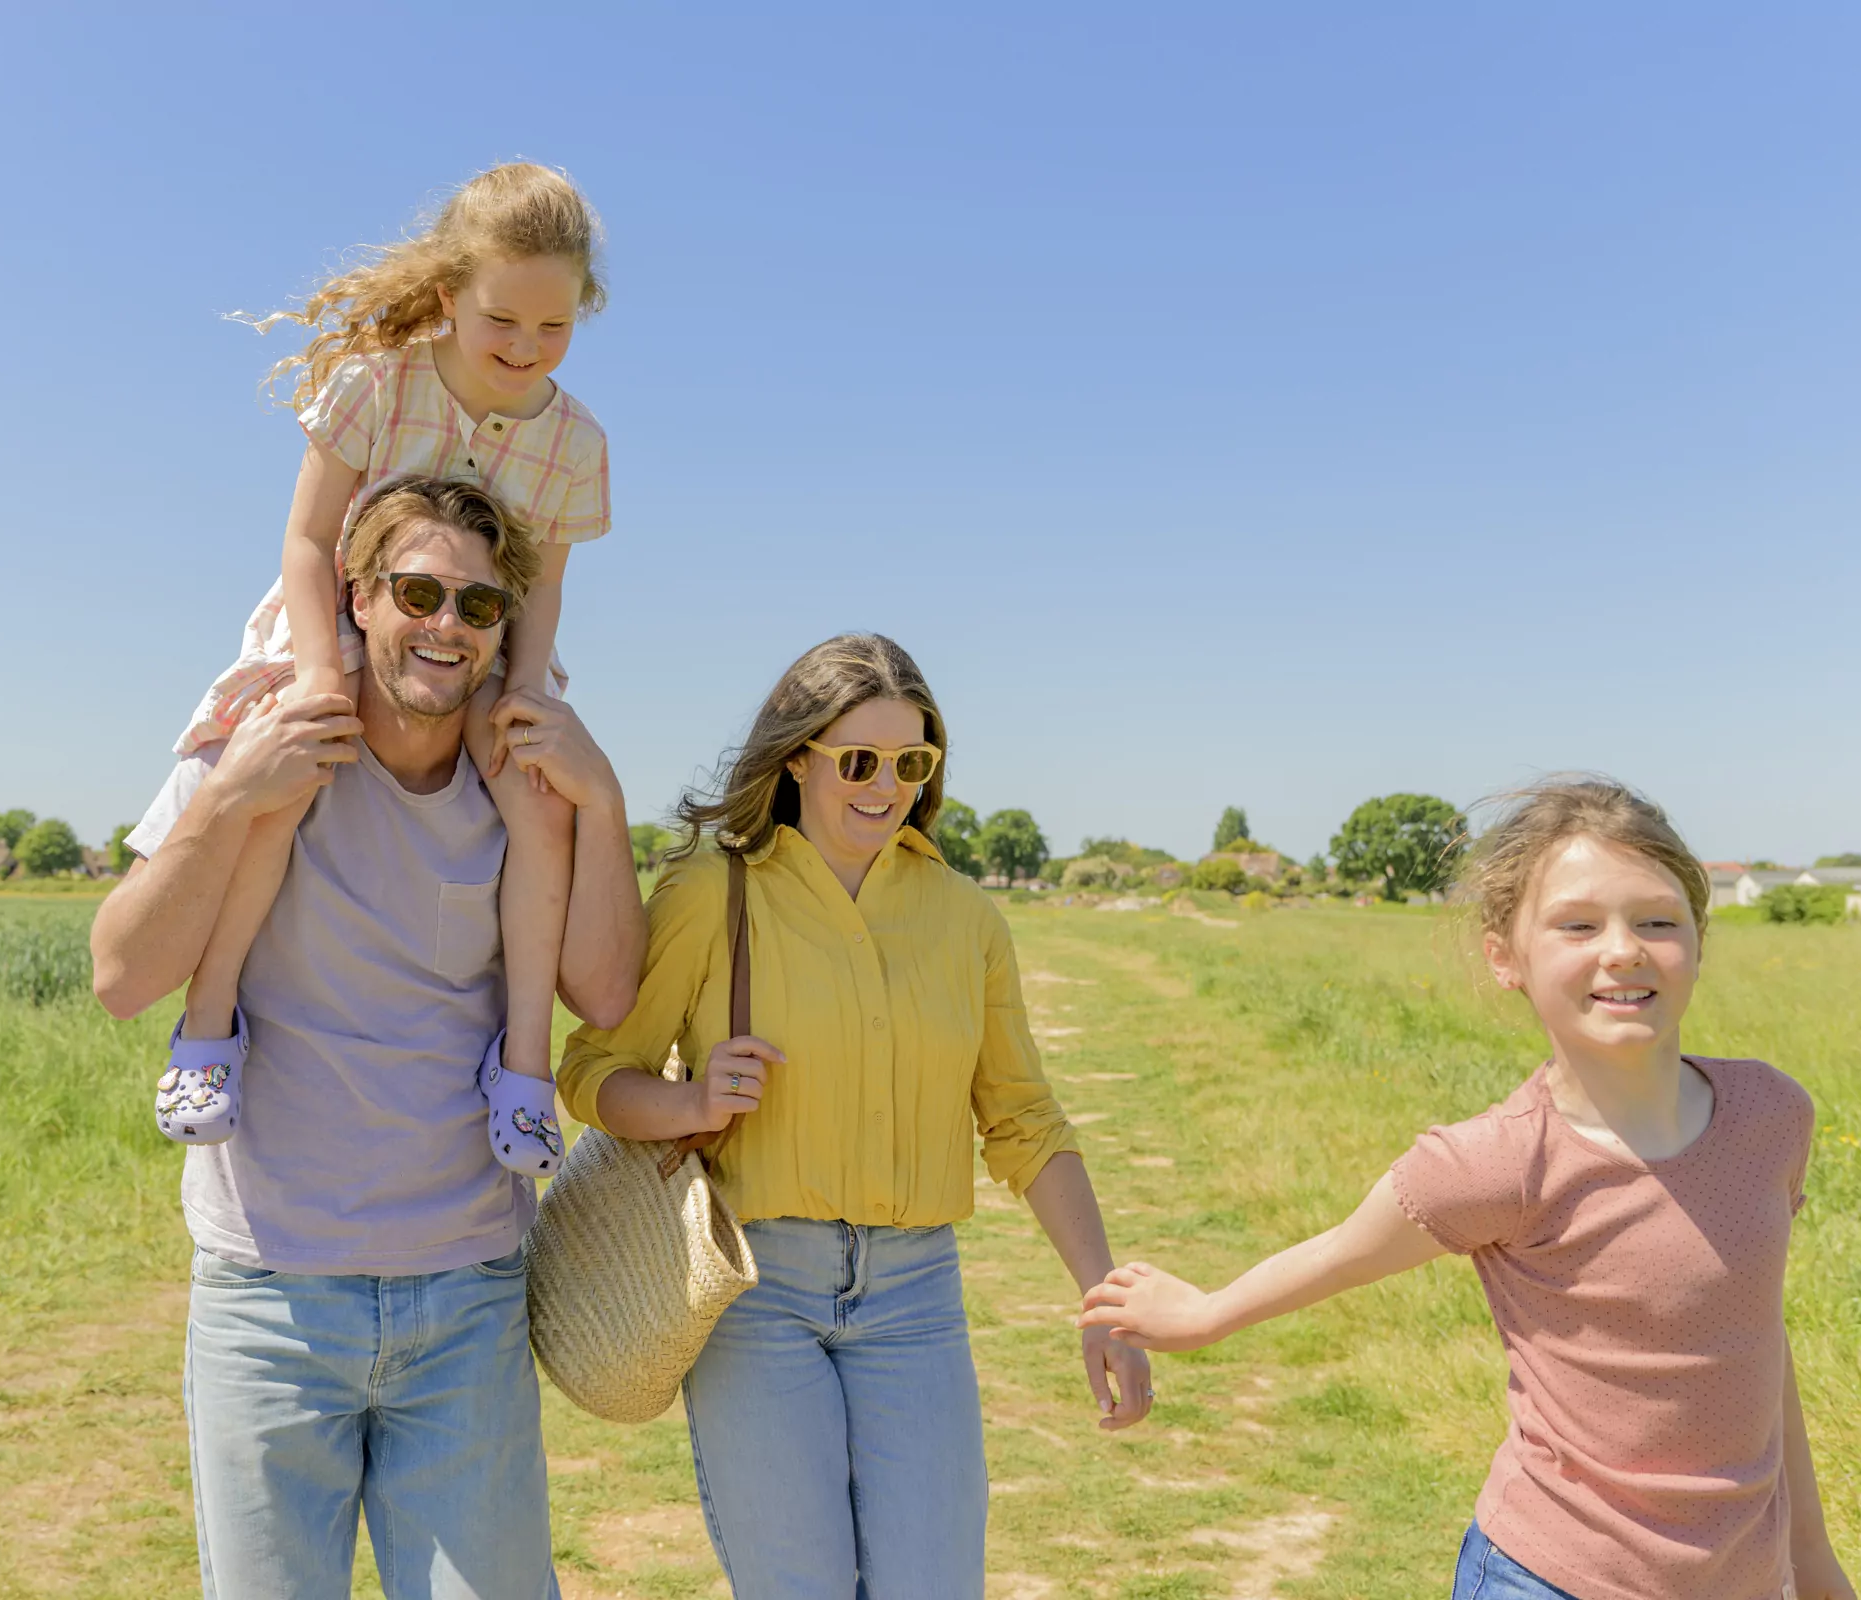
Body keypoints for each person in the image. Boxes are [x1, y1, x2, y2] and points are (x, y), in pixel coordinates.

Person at [1079, 778, 1856, 1600]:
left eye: (1657, 920)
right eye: (1578, 925)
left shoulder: (1771, 1117)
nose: (1623, 949)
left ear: (1698, 937)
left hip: (1743, 1578)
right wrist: (1203, 1313)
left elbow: (1756, 1348)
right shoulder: (1495, 1162)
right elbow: (1344, 1254)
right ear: (1505, 957)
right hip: (1553, 1576)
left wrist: (1813, 1560)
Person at [90, 476, 644, 1599]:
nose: (446, 625)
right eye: (419, 591)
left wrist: (605, 803)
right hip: (269, 1295)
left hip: (468, 1293)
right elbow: (119, 976)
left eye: (479, 607)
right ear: (357, 598)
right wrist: (229, 796)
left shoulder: (521, 784)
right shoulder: (257, 742)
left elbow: (608, 990)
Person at [556, 633, 1152, 1599]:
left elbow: (1024, 1122)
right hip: (759, 1297)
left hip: (918, 1302)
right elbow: (592, 1071)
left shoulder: (966, 919)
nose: (887, 786)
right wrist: (690, 1102)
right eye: (859, 761)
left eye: (911, 764)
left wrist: (1104, 1299)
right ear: (798, 759)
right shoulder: (716, 890)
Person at [154, 161, 613, 1169]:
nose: (526, 350)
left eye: (555, 329)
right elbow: (310, 539)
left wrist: (525, 701)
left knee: (538, 803)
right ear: (448, 297)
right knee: (288, 767)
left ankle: (526, 1066)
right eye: (502, 322)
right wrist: (322, 670)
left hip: (479, 642)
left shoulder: (576, 441)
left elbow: (543, 590)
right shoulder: (378, 378)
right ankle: (209, 1024)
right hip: (341, 618)